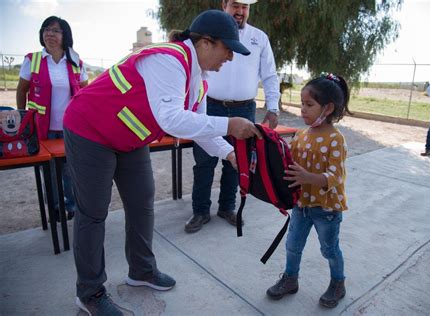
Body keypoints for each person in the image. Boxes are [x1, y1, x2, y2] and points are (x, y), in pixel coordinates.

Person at [63, 10, 261, 315]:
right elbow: (172, 120)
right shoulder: (169, 59)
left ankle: (141, 271)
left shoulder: (200, 81)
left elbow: (197, 127)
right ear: (206, 42)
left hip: (128, 138)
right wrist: (229, 125)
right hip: (90, 130)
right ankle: (89, 291)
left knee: (142, 201)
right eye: (228, 50)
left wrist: (230, 154)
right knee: (93, 212)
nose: (230, 59)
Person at [186, 0, 281, 233]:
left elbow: (269, 74)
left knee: (236, 162)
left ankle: (227, 207)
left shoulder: (260, 38)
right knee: (204, 162)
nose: (240, 11)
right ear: (224, 5)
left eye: (245, 7)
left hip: (244, 109)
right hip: (210, 106)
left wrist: (273, 106)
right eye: (235, 5)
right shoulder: (209, 35)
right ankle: (200, 211)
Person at [266, 73, 351, 309]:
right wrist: (273, 146)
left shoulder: (336, 139)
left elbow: (336, 176)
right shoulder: (301, 135)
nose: (303, 109)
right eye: (302, 103)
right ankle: (290, 279)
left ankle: (338, 283)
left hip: (326, 208)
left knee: (329, 249)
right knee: (293, 245)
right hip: (301, 205)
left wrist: (308, 177)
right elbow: (288, 161)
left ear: (328, 107)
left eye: (309, 105)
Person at [16, 16, 88, 220]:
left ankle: (71, 205)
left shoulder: (76, 61)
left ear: (65, 34)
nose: (49, 34)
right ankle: (55, 208)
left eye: (55, 30)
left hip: (69, 129)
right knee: (48, 172)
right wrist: (23, 118)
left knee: (69, 171)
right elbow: (22, 90)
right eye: (46, 29)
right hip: (42, 129)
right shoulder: (33, 59)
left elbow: (86, 93)